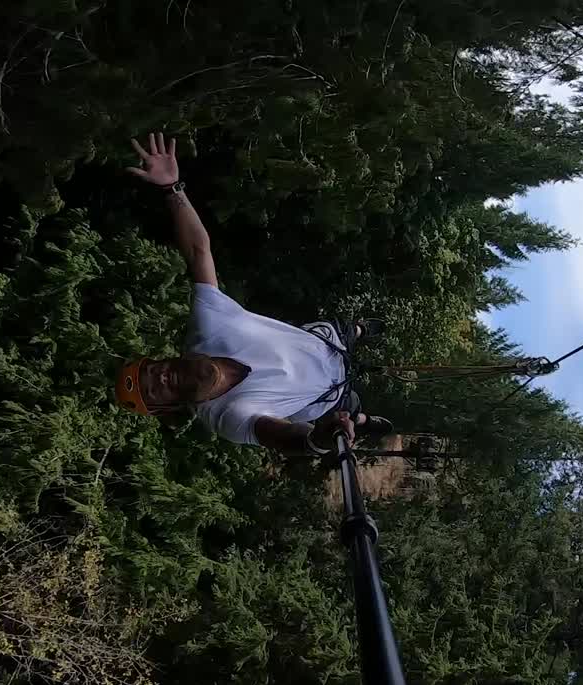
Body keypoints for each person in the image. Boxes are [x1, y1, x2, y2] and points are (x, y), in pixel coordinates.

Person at [114, 131, 393, 455]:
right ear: (165, 409)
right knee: (349, 410)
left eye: (152, 370)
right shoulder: (226, 416)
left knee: (346, 329)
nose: (160, 378)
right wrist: (318, 440)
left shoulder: (209, 328)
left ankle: (360, 329)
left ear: (162, 359)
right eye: (153, 391)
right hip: (328, 398)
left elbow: (198, 251)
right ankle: (362, 419)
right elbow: (282, 437)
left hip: (324, 341)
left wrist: (170, 188)